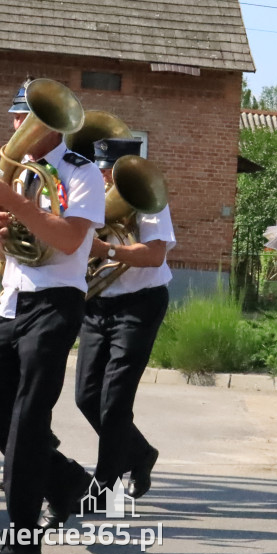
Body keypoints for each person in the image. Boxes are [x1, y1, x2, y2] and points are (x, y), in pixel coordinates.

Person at [0, 80, 106, 554]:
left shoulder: (80, 173)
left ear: (52, 127)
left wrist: (17, 203)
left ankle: (22, 538)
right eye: (15, 117)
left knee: (28, 418)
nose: (15, 126)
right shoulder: (17, 174)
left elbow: (68, 240)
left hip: (56, 300)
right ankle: (66, 479)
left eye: (25, 118)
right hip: (10, 300)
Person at [73, 138, 174, 507]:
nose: (102, 178)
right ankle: (140, 453)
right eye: (99, 170)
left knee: (114, 401)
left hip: (139, 304)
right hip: (98, 304)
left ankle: (105, 487)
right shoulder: (88, 197)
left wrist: (106, 250)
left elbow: (155, 254)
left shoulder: (146, 199)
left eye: (108, 172)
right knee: (86, 396)